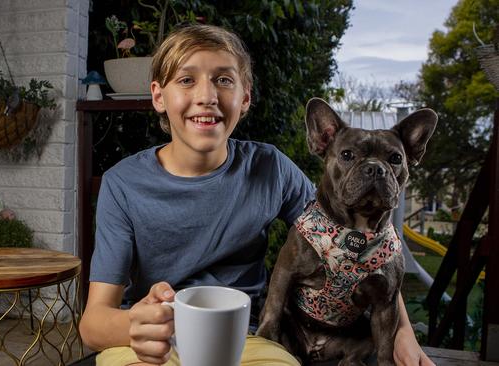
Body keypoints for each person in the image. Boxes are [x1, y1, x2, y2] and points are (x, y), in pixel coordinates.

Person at [79, 24, 434, 366]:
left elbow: (354, 245)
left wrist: (402, 330)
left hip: (244, 340)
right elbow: (93, 324)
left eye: (224, 80)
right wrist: (136, 325)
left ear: (245, 96)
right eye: (187, 80)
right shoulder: (122, 184)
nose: (206, 96)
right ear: (158, 95)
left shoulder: (270, 168)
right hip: (150, 336)